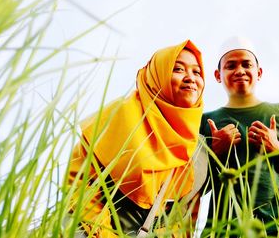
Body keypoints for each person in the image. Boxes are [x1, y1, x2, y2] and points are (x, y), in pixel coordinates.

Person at [67, 40, 207, 238]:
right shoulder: (119, 117)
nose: (190, 78)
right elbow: (79, 183)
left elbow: (184, 220)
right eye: (178, 69)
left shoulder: (199, 148)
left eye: (197, 72)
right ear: (157, 76)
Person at [199, 37, 279, 237]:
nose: (240, 70)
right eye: (230, 66)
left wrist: (278, 150)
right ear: (218, 75)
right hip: (225, 231)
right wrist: (214, 153)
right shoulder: (204, 121)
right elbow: (189, 189)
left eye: (246, 64)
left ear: (259, 72)